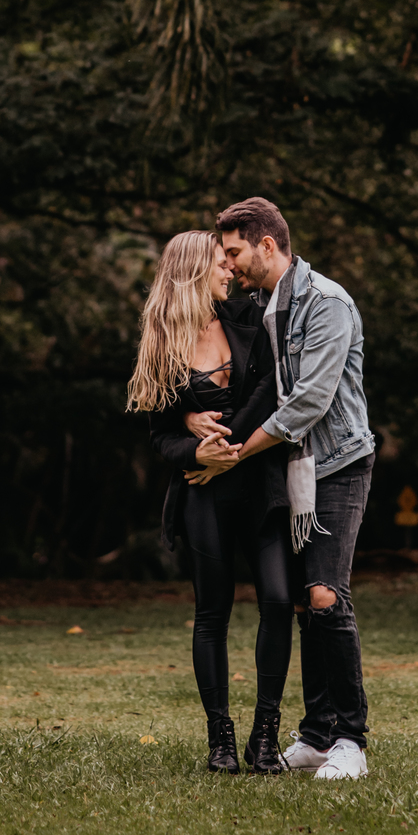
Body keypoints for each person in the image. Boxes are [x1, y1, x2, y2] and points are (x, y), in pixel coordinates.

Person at [189, 197, 376, 781]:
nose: (228, 264)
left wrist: (235, 454)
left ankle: (350, 739)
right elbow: (209, 369)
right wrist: (189, 420)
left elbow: (309, 401)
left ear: (267, 245)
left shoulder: (326, 303)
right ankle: (316, 735)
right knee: (300, 603)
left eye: (235, 252)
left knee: (325, 595)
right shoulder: (262, 307)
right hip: (292, 469)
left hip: (338, 464)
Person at [127, 229, 292, 776]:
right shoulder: (163, 344)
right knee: (211, 615)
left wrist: (228, 449)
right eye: (221, 263)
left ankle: (264, 737)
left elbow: (271, 390)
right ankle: (220, 740)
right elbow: (160, 437)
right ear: (195, 270)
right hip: (203, 493)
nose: (230, 271)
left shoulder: (249, 318)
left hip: (260, 485)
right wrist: (194, 447)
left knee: (277, 601)